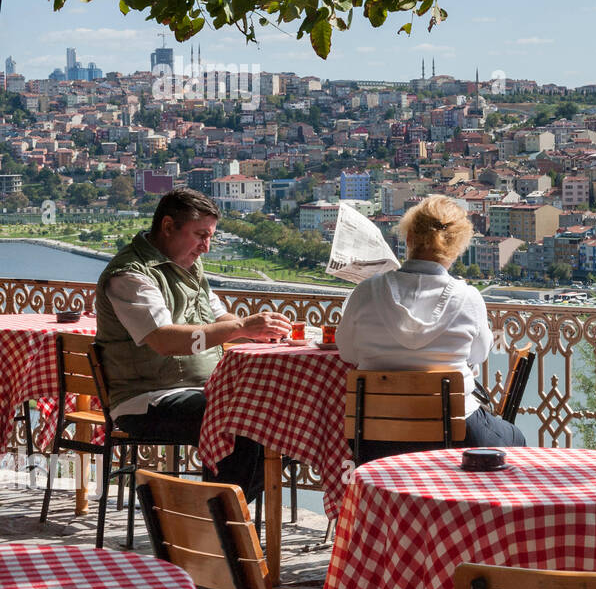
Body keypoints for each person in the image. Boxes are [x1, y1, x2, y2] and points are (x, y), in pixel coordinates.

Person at [95, 189, 292, 496]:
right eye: (200, 235)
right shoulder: (130, 275)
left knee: (281, 416)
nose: (206, 247)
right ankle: (218, 524)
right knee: (241, 422)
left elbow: (218, 316)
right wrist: (241, 327)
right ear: (169, 226)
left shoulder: (188, 266)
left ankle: (218, 520)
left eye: (210, 236)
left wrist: (258, 330)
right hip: (146, 400)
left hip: (201, 392)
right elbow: (163, 340)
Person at [336, 194, 525, 461]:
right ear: (457, 247)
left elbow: (347, 353)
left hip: (375, 438)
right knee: (516, 438)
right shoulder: (468, 298)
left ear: (409, 237)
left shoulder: (366, 291)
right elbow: (478, 355)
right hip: (456, 435)